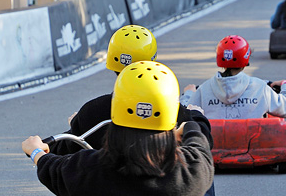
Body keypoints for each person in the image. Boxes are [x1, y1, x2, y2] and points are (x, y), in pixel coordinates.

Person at [21, 62, 214, 196]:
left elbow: (53, 170)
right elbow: (200, 144)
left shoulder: (90, 169)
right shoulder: (191, 170)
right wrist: (187, 128)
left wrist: (36, 152)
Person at [49, 24, 212, 155]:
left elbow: (62, 150)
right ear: (152, 62)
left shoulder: (91, 112)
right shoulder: (172, 111)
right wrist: (197, 116)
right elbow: (203, 142)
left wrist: (76, 126)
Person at [181, 35, 286, 120]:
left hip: (214, 148)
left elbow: (183, 114)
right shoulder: (260, 87)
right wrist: (285, 85)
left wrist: (188, 94)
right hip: (253, 148)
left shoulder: (204, 89)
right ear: (245, 59)